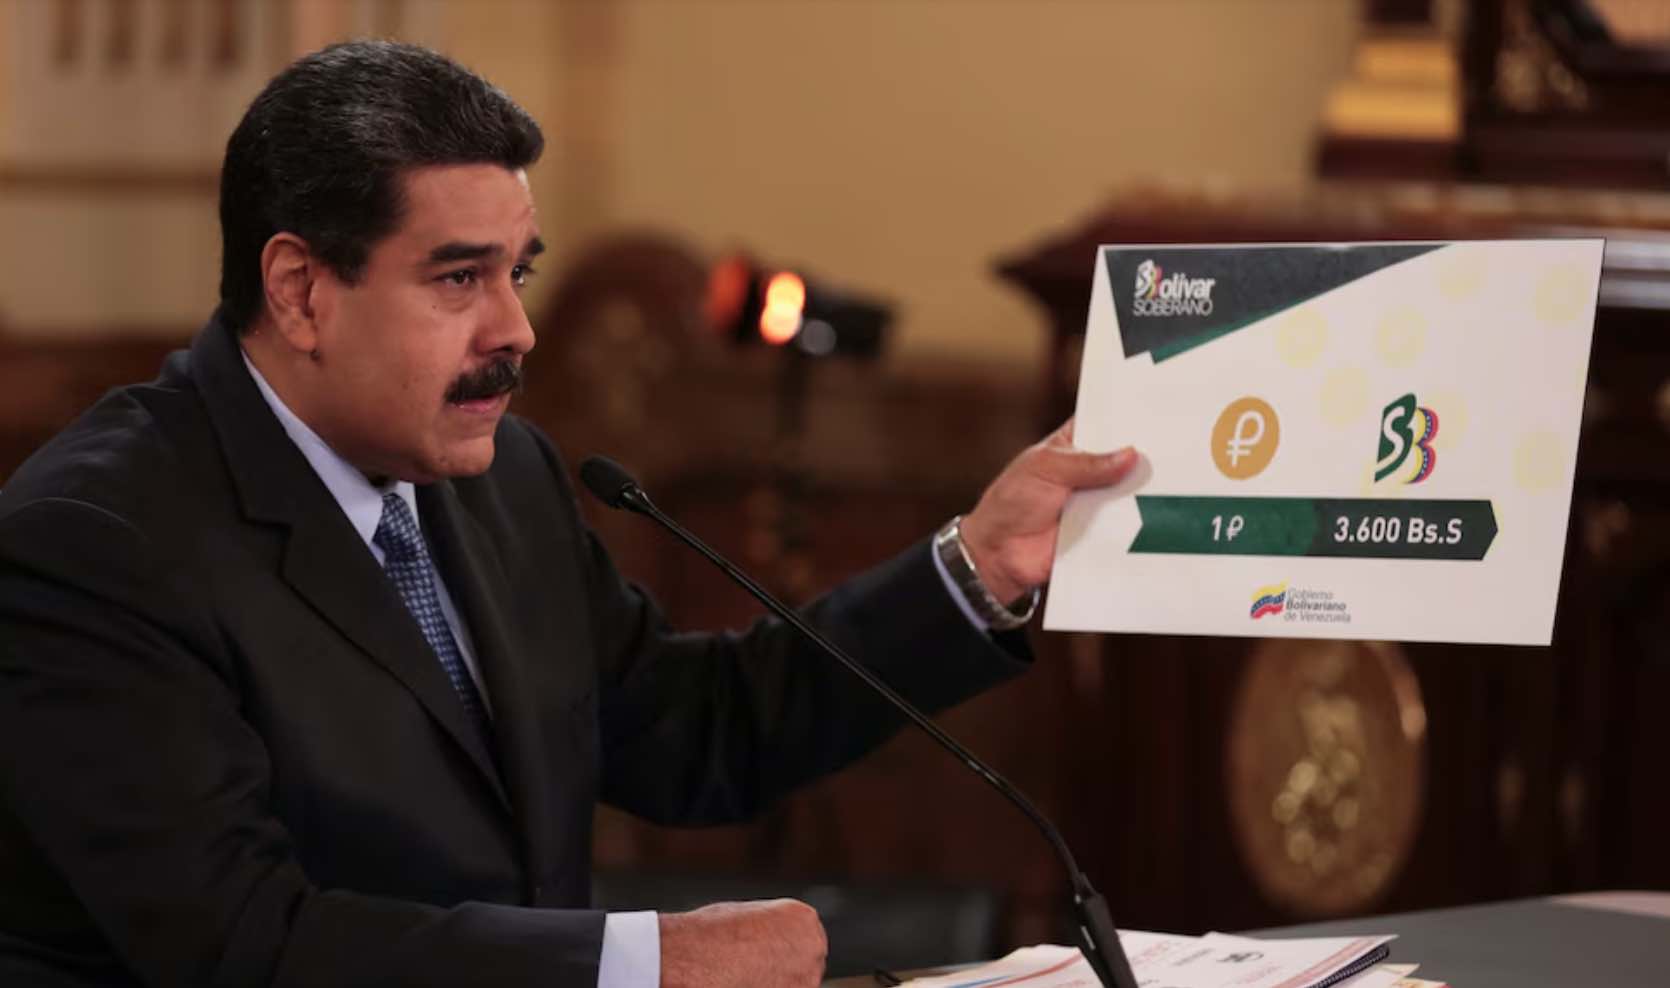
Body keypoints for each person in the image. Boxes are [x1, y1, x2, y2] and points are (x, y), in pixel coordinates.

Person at [0, 40, 1135, 988]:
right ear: (299, 290)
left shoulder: (502, 477)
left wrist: (977, 566)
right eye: (459, 278)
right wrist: (643, 963)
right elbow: (243, 944)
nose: (516, 331)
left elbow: (695, 730)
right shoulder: (95, 541)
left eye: (519, 274)